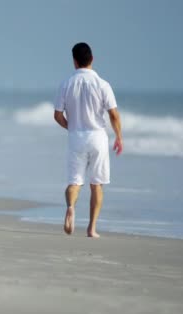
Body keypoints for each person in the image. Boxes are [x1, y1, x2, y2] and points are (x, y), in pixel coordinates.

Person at [53, 42, 123, 238]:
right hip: (97, 138)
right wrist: (118, 137)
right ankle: (92, 228)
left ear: (74, 62)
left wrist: (72, 127)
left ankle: (70, 208)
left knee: (74, 182)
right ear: (92, 59)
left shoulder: (66, 84)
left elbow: (57, 115)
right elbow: (114, 115)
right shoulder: (103, 84)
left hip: (76, 138)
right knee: (97, 184)